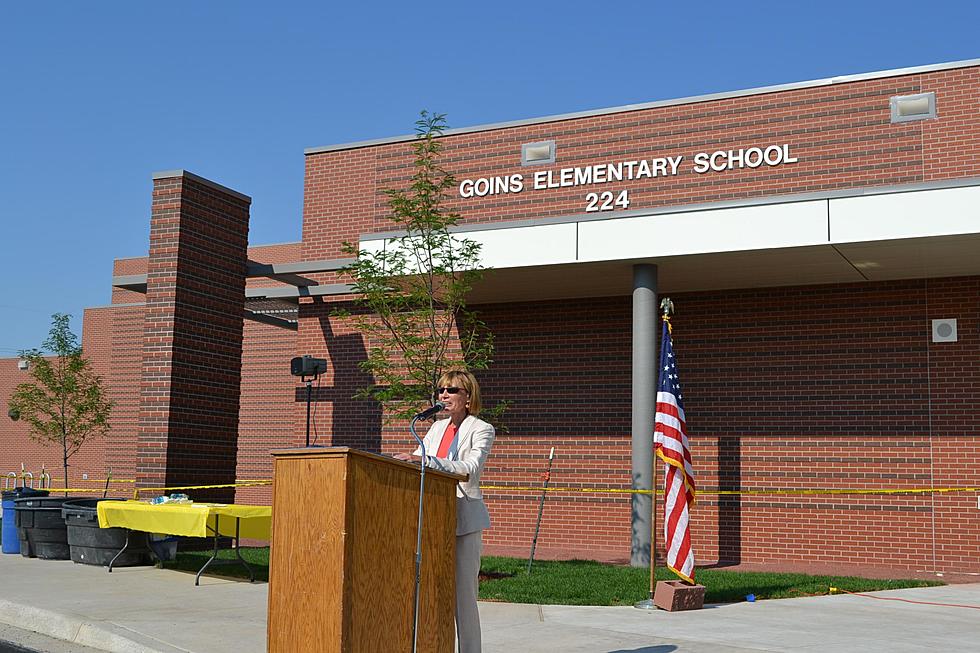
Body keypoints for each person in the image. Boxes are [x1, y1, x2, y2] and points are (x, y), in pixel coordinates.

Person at [394, 369, 495, 653]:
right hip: (432, 519)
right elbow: (419, 461)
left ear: (468, 396)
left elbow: (470, 469)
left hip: (464, 519)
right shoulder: (436, 428)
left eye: (451, 390)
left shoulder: (482, 428)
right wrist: (411, 461)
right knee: (431, 593)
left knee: (464, 598)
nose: (444, 395)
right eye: (441, 390)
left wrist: (425, 460)